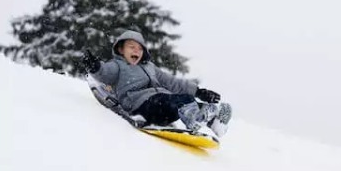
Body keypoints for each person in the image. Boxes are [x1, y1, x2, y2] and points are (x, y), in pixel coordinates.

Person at [82, 30, 231, 137]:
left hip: (161, 104)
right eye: (131, 47)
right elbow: (104, 74)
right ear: (121, 49)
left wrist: (199, 92)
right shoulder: (117, 65)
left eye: (140, 48)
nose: (136, 51)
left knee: (183, 99)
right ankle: (195, 118)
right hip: (140, 105)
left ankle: (213, 121)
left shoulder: (150, 67)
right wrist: (96, 67)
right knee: (174, 102)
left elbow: (172, 82)